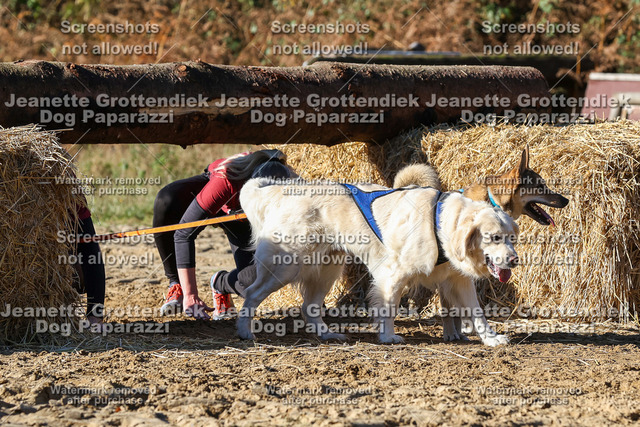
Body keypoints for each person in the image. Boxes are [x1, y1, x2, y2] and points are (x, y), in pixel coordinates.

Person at [153, 149, 295, 319]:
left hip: (240, 218)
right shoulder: (227, 180)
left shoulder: (294, 188)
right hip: (222, 196)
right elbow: (184, 233)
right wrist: (191, 295)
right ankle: (176, 284)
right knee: (167, 199)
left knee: (253, 283)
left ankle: (220, 283)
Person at [72, 204, 106, 326]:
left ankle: (95, 317)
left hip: (73, 208)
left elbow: (91, 254)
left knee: (91, 254)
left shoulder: (76, 207)